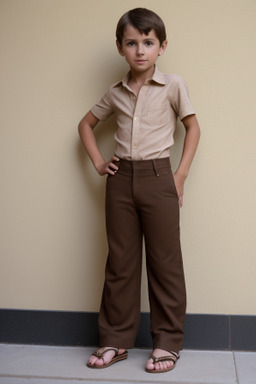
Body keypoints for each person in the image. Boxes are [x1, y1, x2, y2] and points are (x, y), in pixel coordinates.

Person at [78, 7, 200, 374]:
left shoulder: (173, 85)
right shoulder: (114, 92)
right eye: (132, 43)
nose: (140, 50)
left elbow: (193, 129)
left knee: (165, 263)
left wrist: (179, 176)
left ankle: (167, 343)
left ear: (162, 46)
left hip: (159, 177)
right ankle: (114, 340)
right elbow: (85, 124)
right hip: (120, 183)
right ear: (120, 48)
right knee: (120, 263)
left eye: (148, 42)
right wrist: (100, 163)